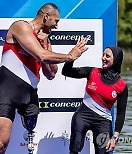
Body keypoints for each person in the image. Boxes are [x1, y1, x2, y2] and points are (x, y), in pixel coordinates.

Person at [0, 3, 88, 154]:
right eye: (56, 21)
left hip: (29, 94)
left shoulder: (44, 40)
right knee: (2, 143)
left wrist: (45, 44)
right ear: (46, 17)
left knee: (30, 131)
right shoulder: (21, 27)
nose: (56, 26)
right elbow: (41, 56)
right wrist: (70, 56)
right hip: (7, 91)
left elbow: (51, 74)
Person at [62, 46, 128, 154]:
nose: (103, 58)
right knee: (75, 148)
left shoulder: (122, 86)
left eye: (107, 56)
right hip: (83, 116)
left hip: (103, 121)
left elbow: (121, 113)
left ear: (116, 60)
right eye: (103, 55)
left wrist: (114, 137)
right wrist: (72, 57)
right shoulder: (92, 72)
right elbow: (66, 71)